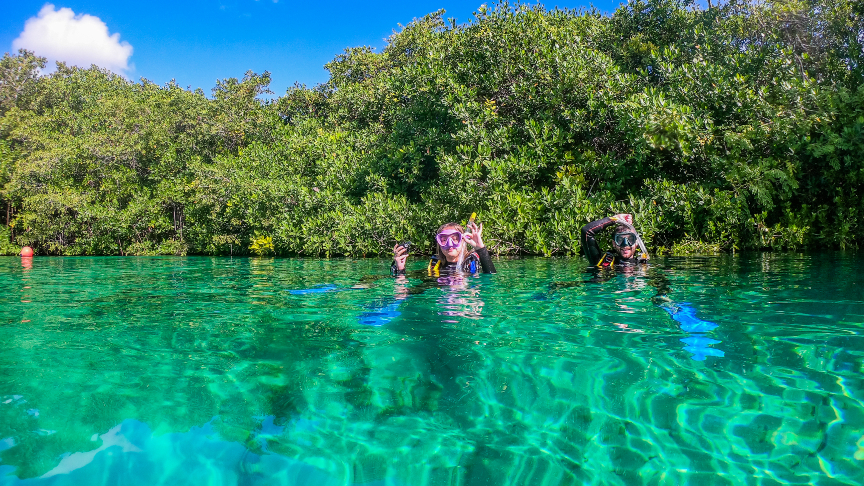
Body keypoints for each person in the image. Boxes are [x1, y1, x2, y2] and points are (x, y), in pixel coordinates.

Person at [392, 220, 496, 276]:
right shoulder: (436, 267)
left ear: (463, 240)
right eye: (444, 240)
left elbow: (491, 278)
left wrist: (481, 248)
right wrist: (401, 270)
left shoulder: (472, 262)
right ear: (439, 243)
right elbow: (413, 293)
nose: (449, 244)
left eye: (455, 239)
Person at [580, 213, 647, 268]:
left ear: (636, 242)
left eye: (630, 239)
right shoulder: (603, 261)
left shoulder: (643, 265)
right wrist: (615, 218)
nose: (625, 244)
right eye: (620, 240)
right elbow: (586, 231)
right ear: (614, 243)